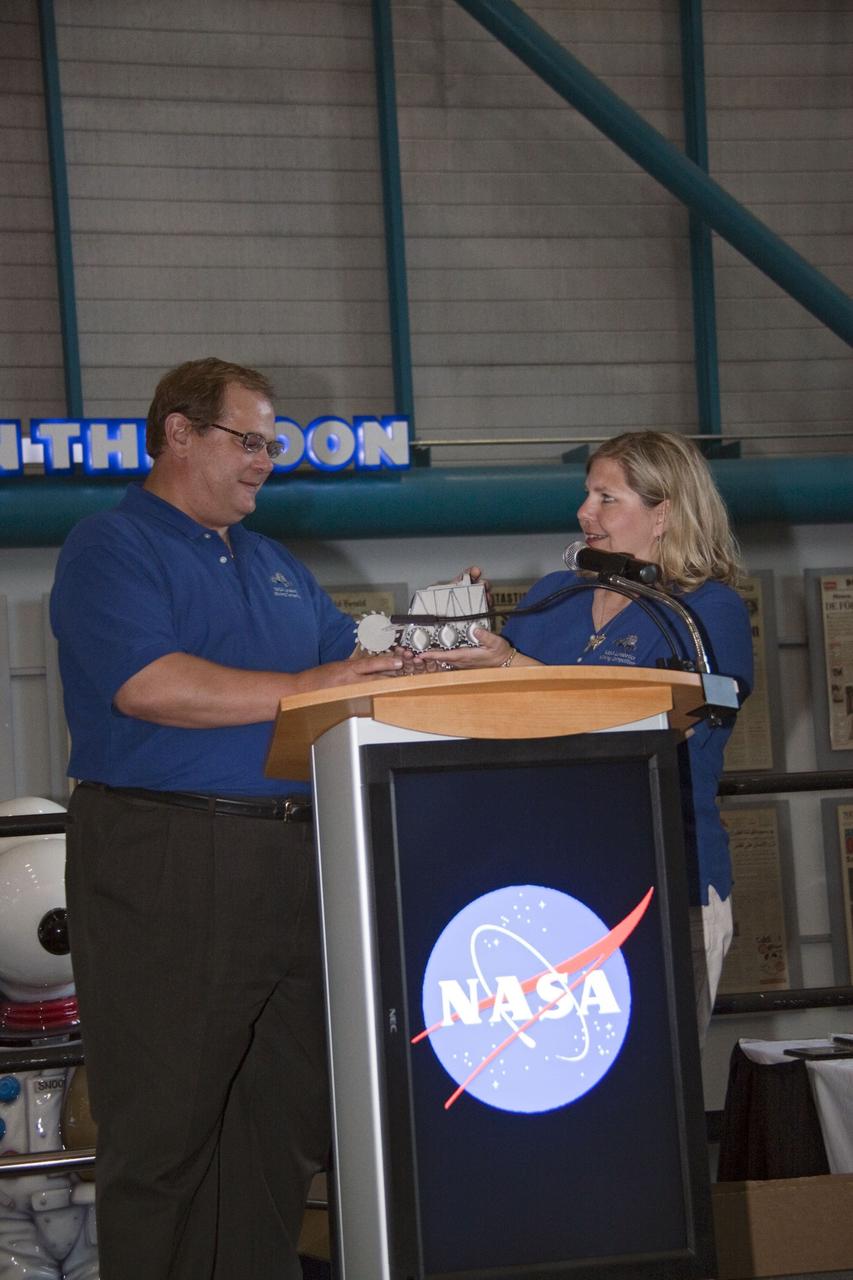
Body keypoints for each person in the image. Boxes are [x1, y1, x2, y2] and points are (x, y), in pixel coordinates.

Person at [49, 357, 404, 1280]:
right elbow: (147, 685)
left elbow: (354, 668)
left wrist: (450, 649)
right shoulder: (110, 546)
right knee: (164, 1127)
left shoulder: (276, 565)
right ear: (178, 431)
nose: (264, 463)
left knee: (279, 1124)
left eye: (271, 446)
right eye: (248, 442)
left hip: (294, 857)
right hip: (168, 854)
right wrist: (302, 687)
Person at [416, 431, 753, 1032]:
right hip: (542, 877)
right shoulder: (554, 595)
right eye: (586, 494)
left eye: (606, 498)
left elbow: (643, 724)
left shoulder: (706, 609)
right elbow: (501, 713)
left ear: (664, 514)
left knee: (653, 1090)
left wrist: (507, 663)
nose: (583, 512)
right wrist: (458, 638)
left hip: (662, 878)